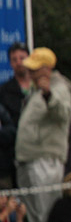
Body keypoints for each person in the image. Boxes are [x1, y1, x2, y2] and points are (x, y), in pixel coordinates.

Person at [14, 47, 71, 222]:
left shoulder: (59, 87)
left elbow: (64, 114)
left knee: (46, 210)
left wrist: (48, 94)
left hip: (45, 159)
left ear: (46, 69)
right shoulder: (34, 89)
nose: (29, 73)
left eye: (34, 69)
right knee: (33, 211)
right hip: (28, 158)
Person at [1, 42, 32, 190]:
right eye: (14, 59)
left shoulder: (40, 88)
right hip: (14, 153)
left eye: (22, 58)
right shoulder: (4, 90)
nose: (19, 62)